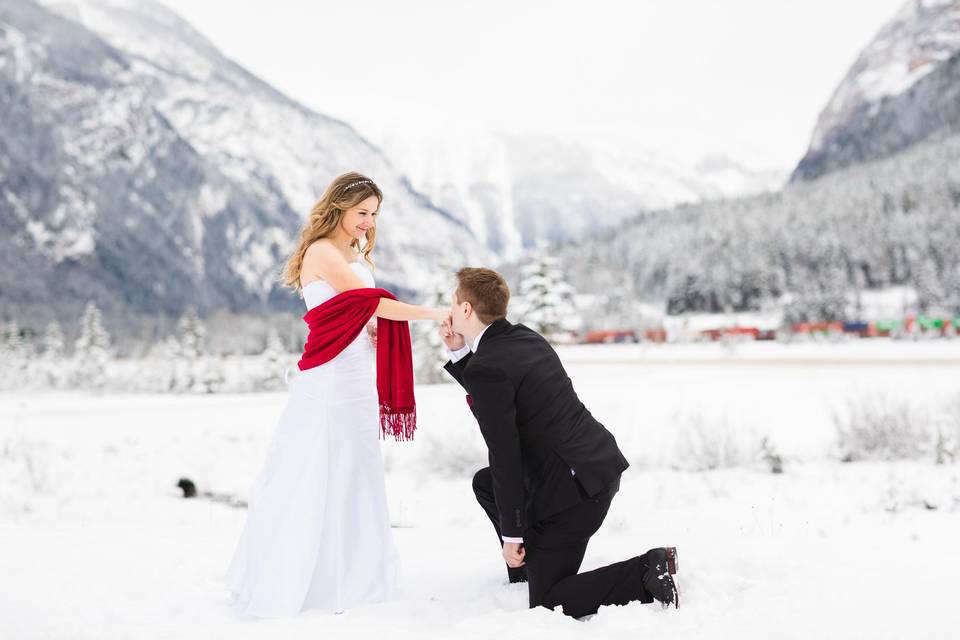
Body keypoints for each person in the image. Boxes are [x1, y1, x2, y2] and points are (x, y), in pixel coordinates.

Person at [225, 172, 448, 618]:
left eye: (374, 214)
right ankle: (311, 581)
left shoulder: (351, 252)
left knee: (356, 471)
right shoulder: (324, 252)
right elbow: (371, 303)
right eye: (361, 212)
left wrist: (371, 333)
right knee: (319, 470)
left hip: (355, 376)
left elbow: (357, 313)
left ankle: (355, 577)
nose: (368, 222)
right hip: (330, 380)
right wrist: (434, 312)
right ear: (339, 207)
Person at [440, 267, 679, 619]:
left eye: (454, 301)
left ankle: (645, 572)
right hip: (595, 466)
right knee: (485, 484)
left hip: (573, 495)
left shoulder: (488, 366)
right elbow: (497, 390)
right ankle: (526, 569)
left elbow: (506, 456)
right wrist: (460, 355)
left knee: (550, 602)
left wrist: (512, 534)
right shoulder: (523, 337)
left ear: (465, 310)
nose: (449, 309)